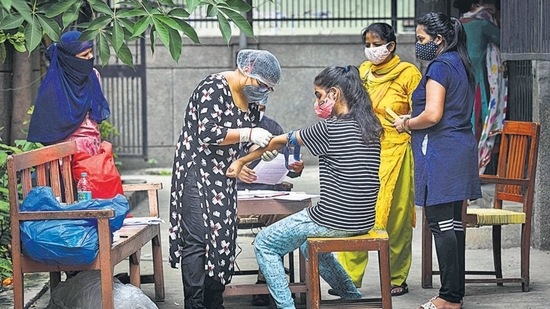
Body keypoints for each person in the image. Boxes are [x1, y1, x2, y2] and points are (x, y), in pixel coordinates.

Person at [226, 65, 383, 309]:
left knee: (265, 242)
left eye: (319, 95)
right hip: (363, 218)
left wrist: (241, 160)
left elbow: (281, 140)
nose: (317, 101)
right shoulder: (370, 126)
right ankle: (350, 295)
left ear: (334, 93)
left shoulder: (328, 128)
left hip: (333, 219)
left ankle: (286, 306)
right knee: (305, 242)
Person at [168, 49, 281, 309]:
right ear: (247, 70)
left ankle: (214, 301)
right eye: (262, 85)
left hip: (223, 178)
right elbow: (207, 132)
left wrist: (260, 153)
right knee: (198, 239)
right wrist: (248, 133)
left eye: (268, 89)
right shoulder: (213, 87)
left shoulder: (250, 100)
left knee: (222, 238)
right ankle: (194, 304)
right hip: (196, 171)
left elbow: (243, 147)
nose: (263, 92)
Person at [392, 12, 482, 309]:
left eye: (421, 39)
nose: (419, 45)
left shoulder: (440, 67)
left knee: (441, 224)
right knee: (453, 224)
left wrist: (406, 123)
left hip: (441, 151)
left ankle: (448, 298)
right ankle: (454, 294)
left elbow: (432, 115)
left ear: (439, 39)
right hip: (459, 147)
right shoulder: (462, 63)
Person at [335, 22, 421, 297]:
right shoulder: (362, 72)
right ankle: (348, 279)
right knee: (357, 213)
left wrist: (407, 121)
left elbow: (421, 113)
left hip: (397, 152)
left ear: (391, 45)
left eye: (376, 44)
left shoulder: (409, 73)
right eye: (368, 45)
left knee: (395, 218)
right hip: (364, 150)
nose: (371, 50)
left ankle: (396, 278)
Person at [27, 30, 110, 155]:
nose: (91, 57)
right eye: (85, 55)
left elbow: (94, 117)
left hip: (92, 148)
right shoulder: (53, 86)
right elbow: (50, 128)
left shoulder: (93, 76)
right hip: (65, 153)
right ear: (69, 59)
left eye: (91, 52)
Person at [454, 0, 507, 174]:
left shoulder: (455, 26)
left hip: (457, 83)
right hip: (477, 81)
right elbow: (502, 39)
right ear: (474, 5)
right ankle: (472, 169)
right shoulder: (482, 24)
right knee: (478, 122)